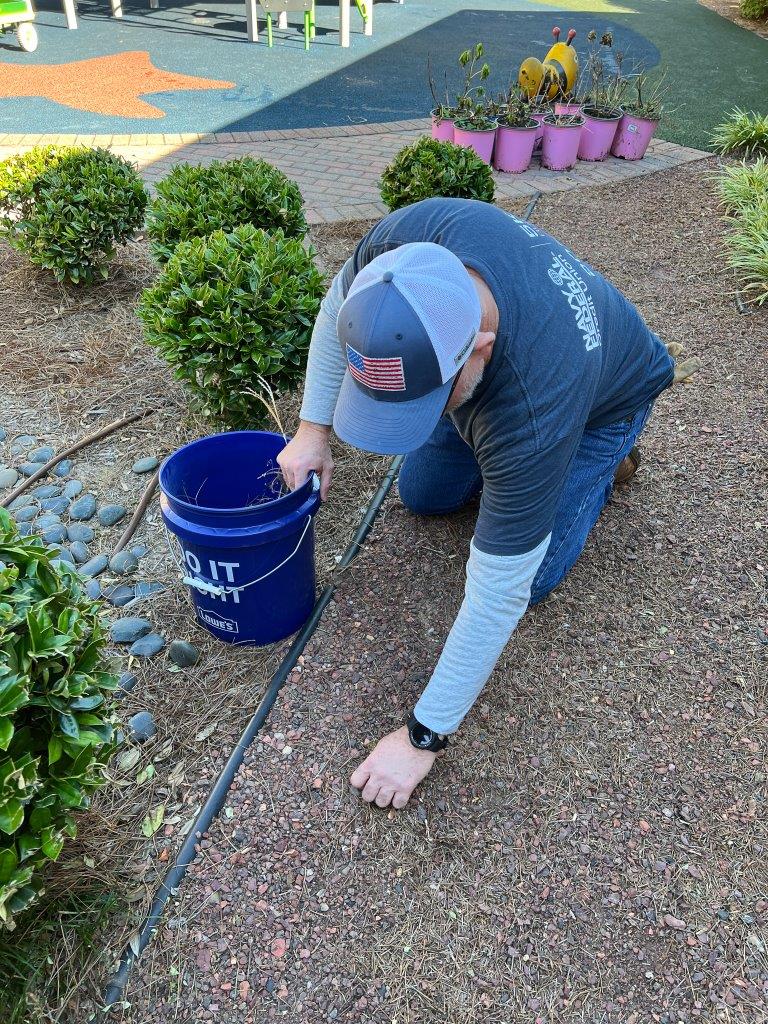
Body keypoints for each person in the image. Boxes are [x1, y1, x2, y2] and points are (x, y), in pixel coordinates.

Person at [277, 197, 675, 811]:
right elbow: (339, 306)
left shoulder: (534, 405)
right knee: (423, 497)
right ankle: (492, 448)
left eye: (424, 400)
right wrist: (311, 430)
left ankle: (604, 460)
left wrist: (422, 737)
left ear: (479, 347)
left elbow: (498, 595)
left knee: (534, 575)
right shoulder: (403, 251)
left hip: (602, 400)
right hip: (487, 383)